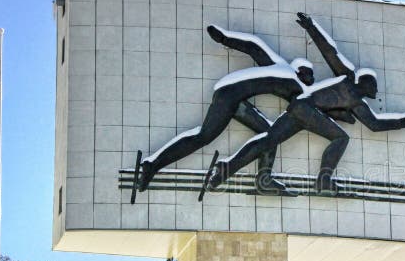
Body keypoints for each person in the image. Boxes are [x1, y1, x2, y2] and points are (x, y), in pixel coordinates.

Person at [207, 13, 405, 194]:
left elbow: (375, 124)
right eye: (374, 85)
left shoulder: (358, 105)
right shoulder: (347, 77)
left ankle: (227, 167)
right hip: (307, 110)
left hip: (300, 109)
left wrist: (402, 122)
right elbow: (329, 51)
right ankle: (324, 181)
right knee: (340, 137)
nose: (376, 91)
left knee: (268, 141)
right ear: (365, 83)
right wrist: (311, 27)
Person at [135, 25, 315, 195]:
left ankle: (264, 179)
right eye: (308, 72)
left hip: (236, 99)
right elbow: (254, 46)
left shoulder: (284, 73)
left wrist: (224, 38)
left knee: (269, 135)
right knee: (204, 136)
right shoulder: (287, 75)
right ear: (298, 70)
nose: (311, 78)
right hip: (228, 95)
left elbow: (255, 46)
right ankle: (153, 165)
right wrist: (224, 38)